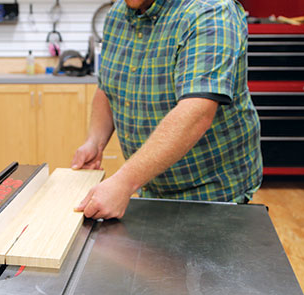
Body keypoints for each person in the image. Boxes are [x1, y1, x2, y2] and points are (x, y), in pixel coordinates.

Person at [72, 0, 262, 220]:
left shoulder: (209, 11)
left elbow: (197, 112)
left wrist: (124, 181)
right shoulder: (118, 15)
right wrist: (94, 142)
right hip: (151, 186)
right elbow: (107, 88)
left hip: (213, 194)